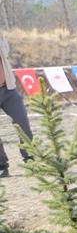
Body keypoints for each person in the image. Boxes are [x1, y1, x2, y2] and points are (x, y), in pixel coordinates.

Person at [0, 31, 34, 178]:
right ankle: (2, 165)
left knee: (23, 123)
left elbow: (5, 50)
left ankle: (30, 159)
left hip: (8, 88)